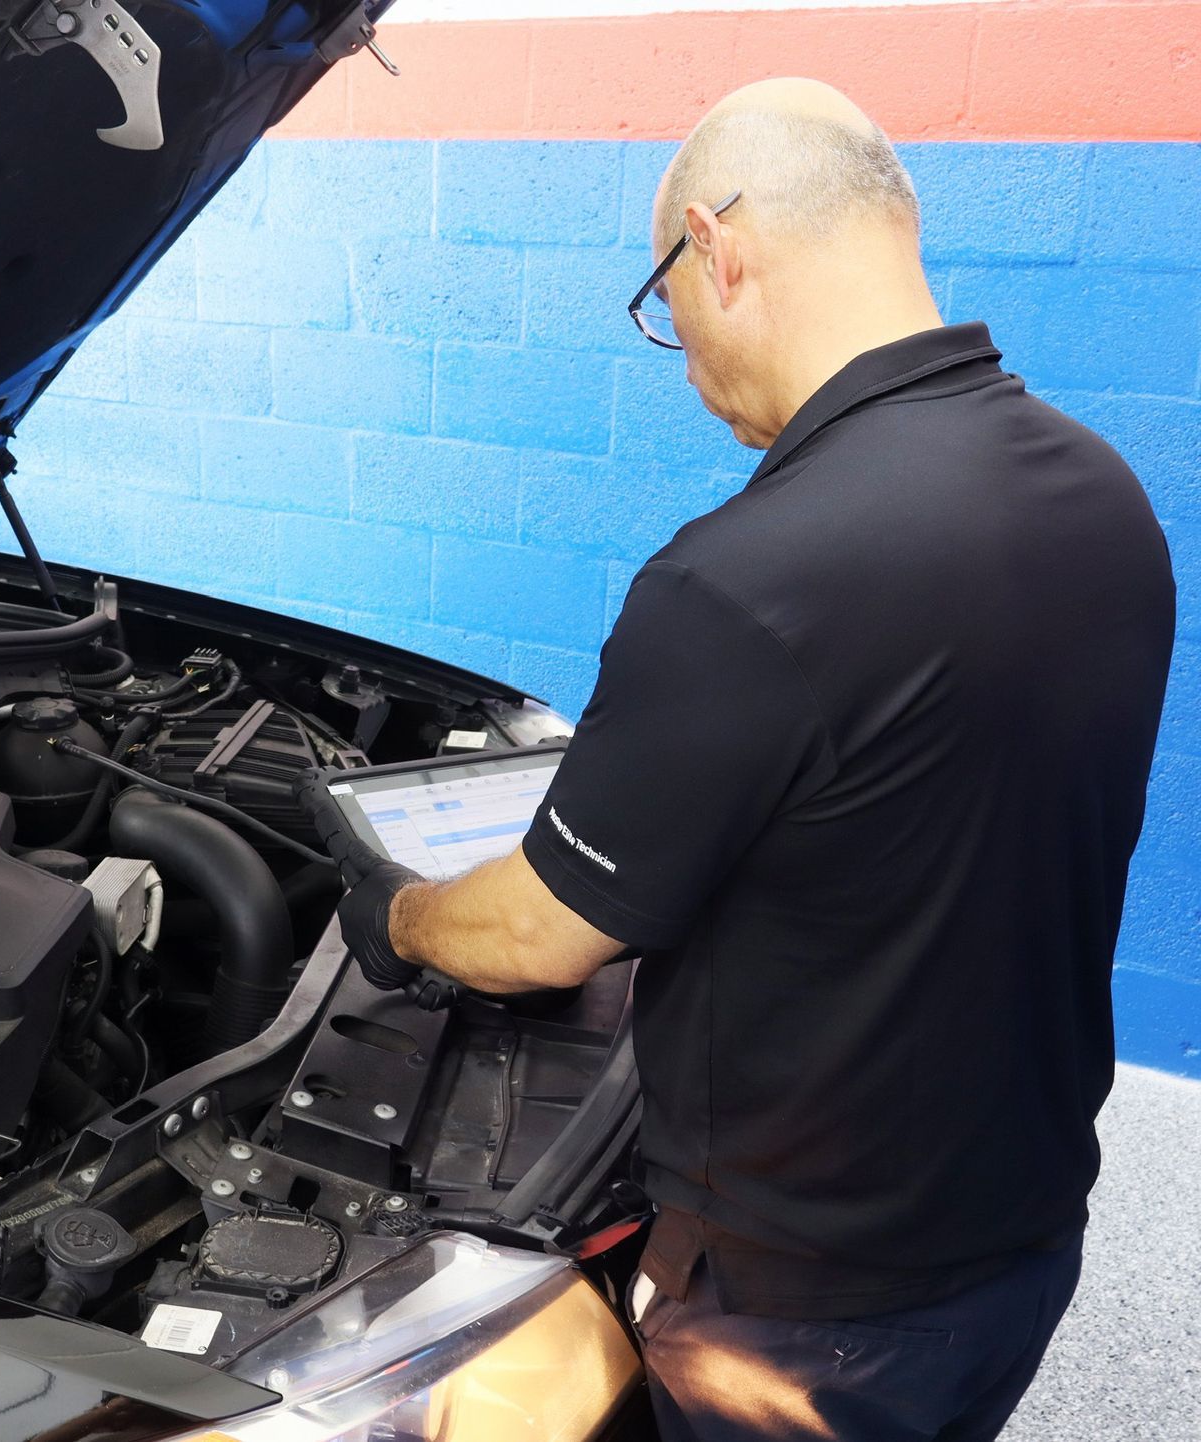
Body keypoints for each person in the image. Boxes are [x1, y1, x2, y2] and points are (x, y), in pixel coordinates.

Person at [337, 78, 1174, 1442]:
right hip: (1024, 1229)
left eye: (667, 314)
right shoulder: (1103, 495)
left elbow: (545, 935)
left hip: (806, 1316)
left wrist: (398, 910)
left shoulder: (745, 583)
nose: (683, 364)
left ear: (715, 251)